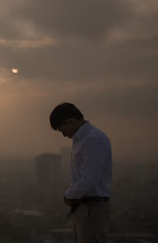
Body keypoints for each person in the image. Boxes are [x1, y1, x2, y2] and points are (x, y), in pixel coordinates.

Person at [50, 102, 112, 243]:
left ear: (70, 122)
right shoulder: (83, 139)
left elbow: (90, 179)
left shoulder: (92, 139)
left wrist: (69, 195)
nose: (64, 135)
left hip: (92, 207)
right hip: (85, 206)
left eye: (62, 130)